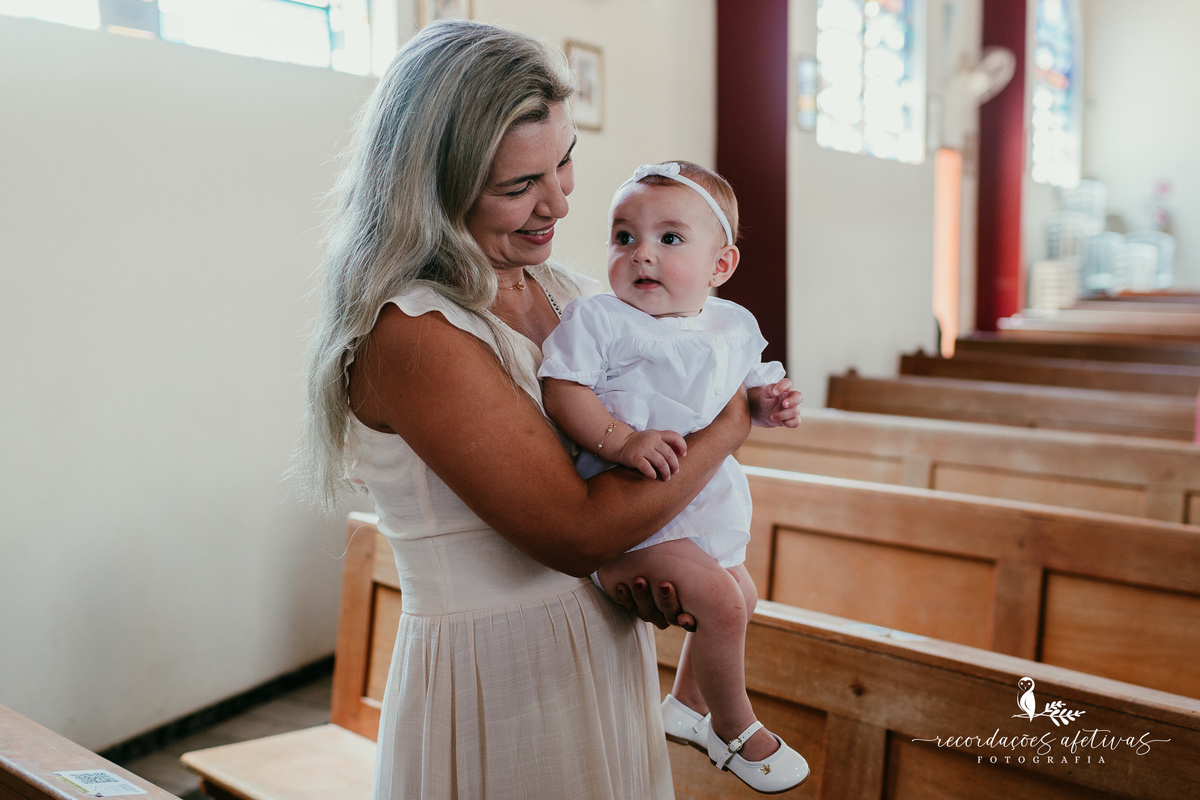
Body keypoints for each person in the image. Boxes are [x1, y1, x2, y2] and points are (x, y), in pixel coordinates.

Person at [295, 20, 754, 800]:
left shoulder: (567, 292)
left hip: (600, 656)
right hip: (499, 688)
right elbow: (576, 529)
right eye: (518, 187)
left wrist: (638, 564)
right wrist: (733, 423)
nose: (559, 203)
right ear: (433, 189)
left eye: (565, 161)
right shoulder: (416, 333)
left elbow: (629, 470)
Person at [538, 161, 809, 794]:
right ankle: (733, 727)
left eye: (670, 238)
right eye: (624, 236)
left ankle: (686, 707)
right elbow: (562, 390)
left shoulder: (731, 324)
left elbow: (751, 389)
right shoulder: (600, 319)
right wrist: (622, 439)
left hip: (699, 501)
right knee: (718, 601)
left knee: (742, 596)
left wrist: (773, 405)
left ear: (720, 267)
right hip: (630, 510)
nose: (642, 256)